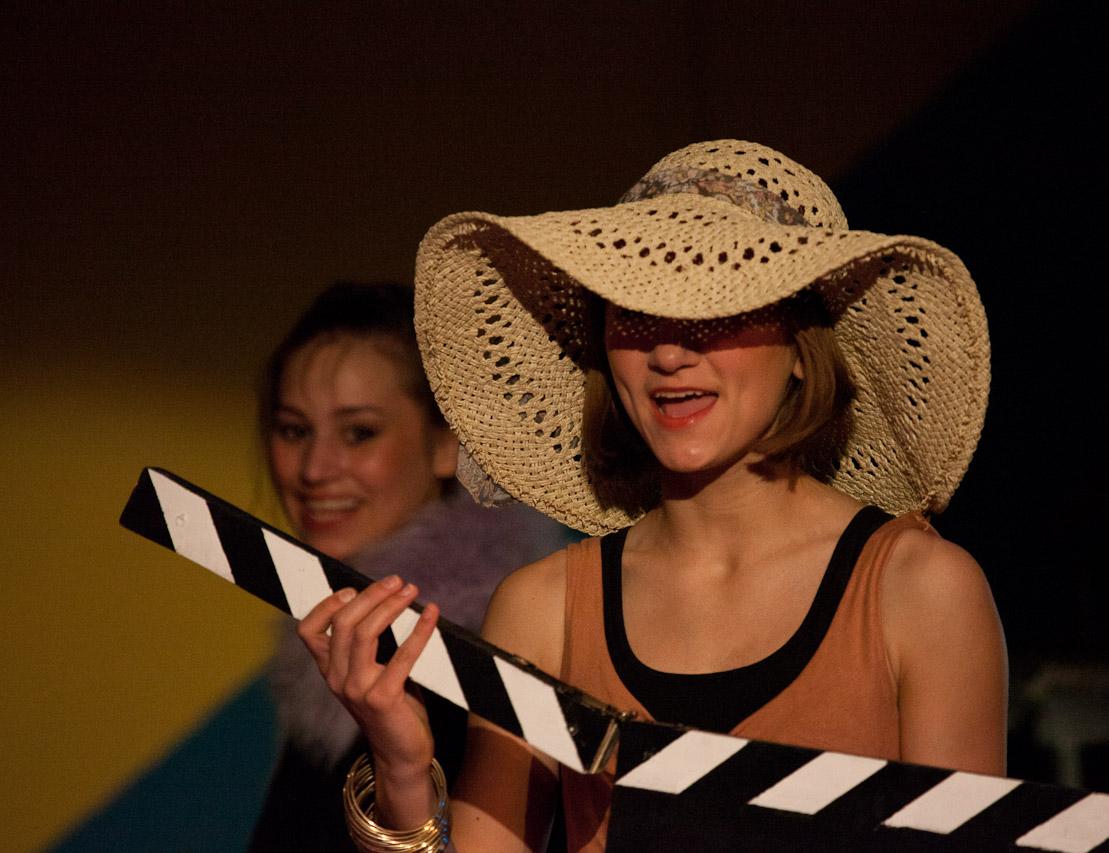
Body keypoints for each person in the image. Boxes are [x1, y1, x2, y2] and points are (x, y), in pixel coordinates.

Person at [299, 141, 1007, 852]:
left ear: (801, 346)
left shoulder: (921, 592)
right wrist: (402, 771)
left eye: (719, 305)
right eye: (636, 311)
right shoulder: (543, 610)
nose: (669, 353)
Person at [247, 281, 569, 851]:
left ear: (449, 445)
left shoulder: (495, 659)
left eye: (359, 433)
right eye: (294, 430)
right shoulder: (334, 649)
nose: (315, 469)